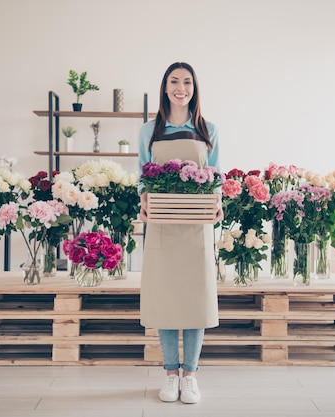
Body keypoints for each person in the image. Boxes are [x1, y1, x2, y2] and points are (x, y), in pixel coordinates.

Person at [137, 62, 223, 404]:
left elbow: (217, 175)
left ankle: (191, 376)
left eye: (186, 82)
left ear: (194, 88)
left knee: (195, 298)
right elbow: (142, 177)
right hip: (160, 226)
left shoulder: (208, 129)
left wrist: (219, 203)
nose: (180, 88)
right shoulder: (149, 130)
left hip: (196, 227)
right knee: (167, 298)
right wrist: (143, 200)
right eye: (174, 81)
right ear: (165, 87)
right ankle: (170, 374)